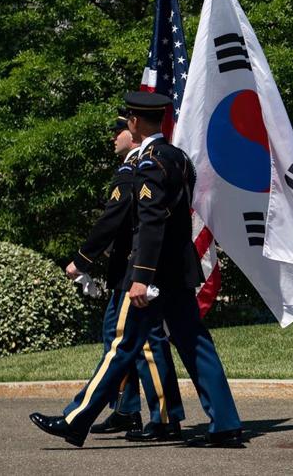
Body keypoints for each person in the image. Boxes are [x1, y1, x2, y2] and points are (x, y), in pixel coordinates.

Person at [30, 92, 242, 448]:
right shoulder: (178, 158)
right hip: (178, 271)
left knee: (122, 345)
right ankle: (225, 423)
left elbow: (151, 223)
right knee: (195, 342)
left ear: (134, 122)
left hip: (152, 274)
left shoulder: (149, 164)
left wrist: (141, 277)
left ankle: (75, 420)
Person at [63, 109, 185, 442]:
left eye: (118, 130)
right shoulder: (138, 165)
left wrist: (82, 260)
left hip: (137, 271)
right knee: (119, 340)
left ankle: (164, 418)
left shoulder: (136, 168)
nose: (113, 137)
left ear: (133, 131)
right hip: (126, 271)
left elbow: (114, 221)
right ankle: (127, 408)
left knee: (143, 343)